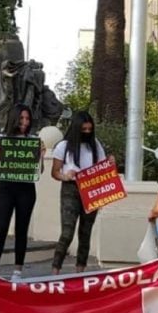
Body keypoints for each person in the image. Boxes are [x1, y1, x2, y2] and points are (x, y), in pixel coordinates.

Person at [0, 104, 45, 280]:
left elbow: (39, 170)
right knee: (1, 228)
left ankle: (18, 270)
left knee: (22, 228)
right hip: (6, 188)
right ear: (14, 118)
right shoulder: (1, 138)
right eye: (21, 118)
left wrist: (41, 155)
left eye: (27, 119)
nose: (25, 122)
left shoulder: (33, 139)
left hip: (26, 189)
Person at [50, 111, 109, 274]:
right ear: (77, 128)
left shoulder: (95, 145)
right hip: (71, 188)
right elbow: (54, 172)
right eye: (84, 129)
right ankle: (55, 269)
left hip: (91, 188)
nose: (87, 133)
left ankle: (80, 272)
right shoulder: (63, 146)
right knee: (67, 232)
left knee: (85, 232)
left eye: (90, 129)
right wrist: (65, 175)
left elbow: (103, 168)